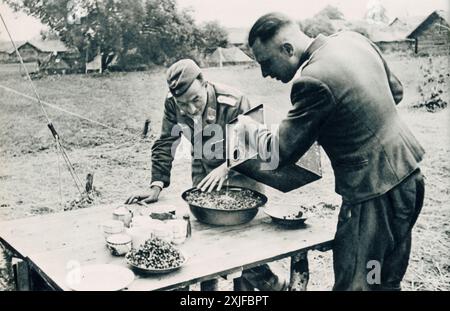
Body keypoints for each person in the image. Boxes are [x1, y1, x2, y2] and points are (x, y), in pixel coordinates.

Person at [230, 13, 425, 290]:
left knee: (358, 284)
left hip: (372, 197)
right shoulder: (353, 40)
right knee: (382, 277)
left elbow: (281, 152)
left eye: (266, 62)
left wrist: (249, 129)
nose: (264, 73)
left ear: (287, 49)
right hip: (409, 180)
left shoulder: (312, 81)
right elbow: (395, 92)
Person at [125, 59, 286, 291]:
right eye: (183, 105)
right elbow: (166, 141)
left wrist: (228, 166)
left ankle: (270, 286)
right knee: (204, 248)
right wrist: (156, 184)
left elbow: (254, 144)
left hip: (242, 176)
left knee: (243, 251)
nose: (190, 109)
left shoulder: (233, 101)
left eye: (195, 100)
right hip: (203, 177)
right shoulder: (172, 105)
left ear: (203, 82)